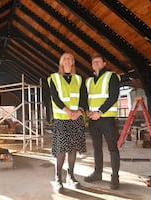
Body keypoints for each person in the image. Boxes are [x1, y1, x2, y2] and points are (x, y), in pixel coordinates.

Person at [47, 52, 87, 193]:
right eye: (65, 58)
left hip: (76, 118)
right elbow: (55, 98)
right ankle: (58, 178)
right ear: (61, 62)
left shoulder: (79, 79)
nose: (68, 61)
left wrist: (79, 112)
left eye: (70, 58)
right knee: (61, 150)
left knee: (73, 149)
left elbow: (83, 98)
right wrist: (68, 111)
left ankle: (71, 176)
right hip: (61, 119)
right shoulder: (54, 78)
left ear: (73, 62)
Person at [84, 54, 120, 190]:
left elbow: (113, 96)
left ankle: (115, 178)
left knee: (112, 148)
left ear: (104, 63)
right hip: (93, 119)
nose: (96, 64)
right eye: (93, 62)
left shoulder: (112, 76)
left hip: (107, 118)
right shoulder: (88, 81)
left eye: (98, 61)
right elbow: (85, 98)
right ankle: (98, 173)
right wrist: (87, 111)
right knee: (97, 147)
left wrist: (100, 112)